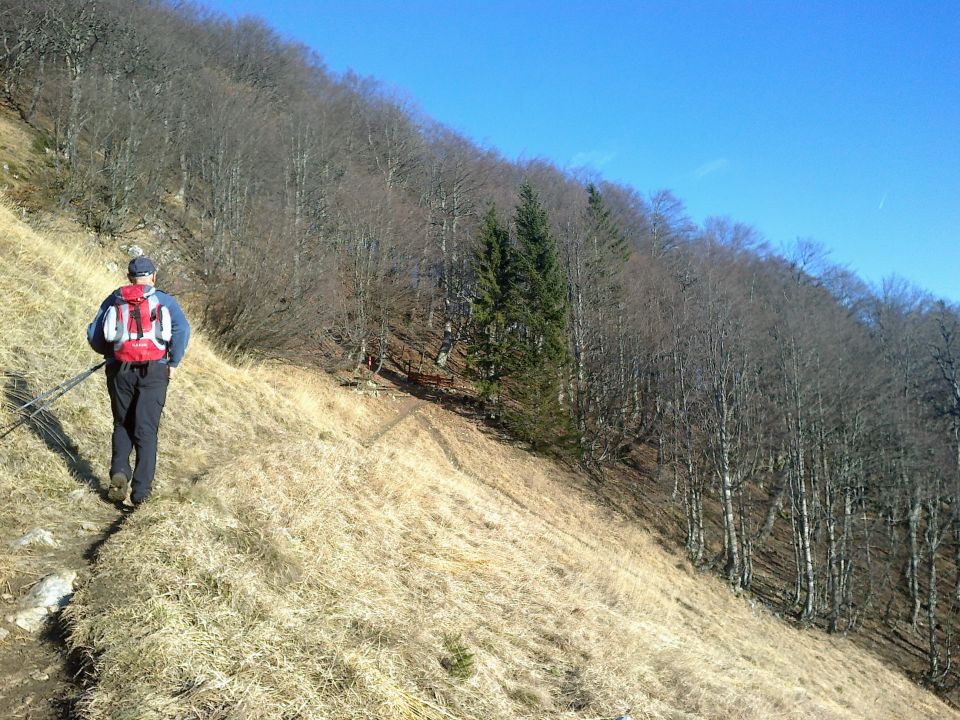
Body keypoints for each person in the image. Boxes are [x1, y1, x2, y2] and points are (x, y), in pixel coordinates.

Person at [87, 256, 191, 506]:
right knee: (146, 429)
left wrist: (111, 354)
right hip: (155, 370)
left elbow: (94, 333)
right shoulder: (164, 301)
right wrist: (173, 363)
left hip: (120, 369)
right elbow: (182, 330)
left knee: (122, 423)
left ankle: (120, 472)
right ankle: (141, 493)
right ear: (153, 276)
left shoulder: (115, 299)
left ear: (129, 277)